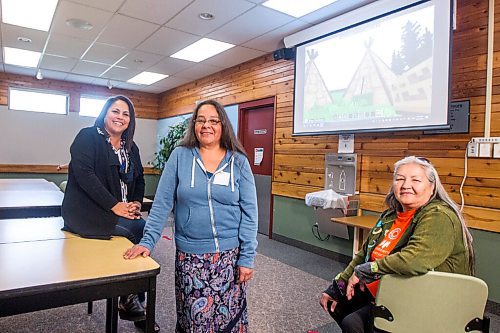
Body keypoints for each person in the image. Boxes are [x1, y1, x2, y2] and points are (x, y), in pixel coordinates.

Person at [124, 99, 258, 333]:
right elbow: (162, 203)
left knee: (228, 321)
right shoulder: (180, 156)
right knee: (194, 320)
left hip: (228, 256)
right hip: (191, 257)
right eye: (201, 120)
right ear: (194, 125)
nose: (207, 125)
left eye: (214, 121)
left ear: (223, 125)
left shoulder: (239, 162)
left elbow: (250, 212)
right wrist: (147, 241)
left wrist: (246, 257)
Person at [319, 156, 475, 333]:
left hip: (426, 299)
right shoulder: (390, 216)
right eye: (400, 179)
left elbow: (414, 260)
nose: (406, 185)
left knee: (353, 323)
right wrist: (336, 287)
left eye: (416, 179)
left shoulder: (439, 216)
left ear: (432, 187)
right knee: (337, 303)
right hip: (387, 289)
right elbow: (363, 255)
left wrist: (370, 270)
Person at [61, 95, 159, 332]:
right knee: (138, 229)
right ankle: (130, 299)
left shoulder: (130, 147)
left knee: (138, 227)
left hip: (120, 213)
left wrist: (135, 202)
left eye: (126, 114)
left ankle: (132, 299)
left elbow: (139, 180)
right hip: (87, 213)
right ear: (105, 113)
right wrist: (115, 205)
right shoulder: (87, 137)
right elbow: (85, 176)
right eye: (115, 111)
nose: (120, 117)